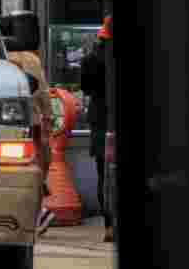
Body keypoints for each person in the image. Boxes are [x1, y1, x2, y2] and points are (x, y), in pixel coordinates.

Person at [78, 17, 113, 238]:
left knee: (104, 172)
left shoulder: (90, 59)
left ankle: (109, 225)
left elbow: (86, 88)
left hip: (101, 119)